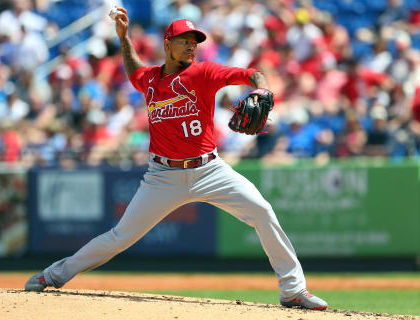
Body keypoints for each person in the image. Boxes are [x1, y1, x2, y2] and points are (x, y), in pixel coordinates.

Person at [25, 7, 328, 311]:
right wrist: (124, 38)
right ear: (168, 44)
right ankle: (53, 275)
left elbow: (250, 73)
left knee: (262, 211)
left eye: (195, 40)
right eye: (185, 40)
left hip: (210, 169)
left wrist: (261, 88)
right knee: (119, 237)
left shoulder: (204, 72)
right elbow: (134, 70)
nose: (191, 45)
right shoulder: (151, 79)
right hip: (162, 176)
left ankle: (293, 290)